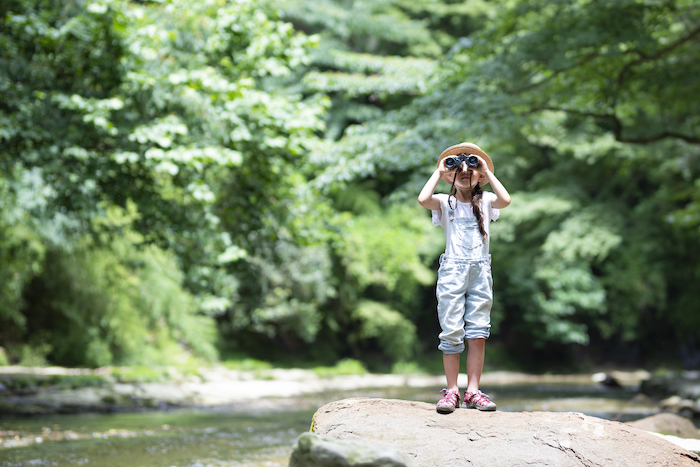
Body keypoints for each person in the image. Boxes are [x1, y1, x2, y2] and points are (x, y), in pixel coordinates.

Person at [418, 142, 511, 413]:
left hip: (480, 272)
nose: (464, 173)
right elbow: (423, 199)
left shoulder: (486, 201)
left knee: (478, 332)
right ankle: (452, 392)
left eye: (470, 170)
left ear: (479, 176)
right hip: (452, 272)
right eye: (458, 171)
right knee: (451, 332)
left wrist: (485, 170)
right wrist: (439, 171)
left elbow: (505, 199)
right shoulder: (445, 203)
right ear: (451, 177)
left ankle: (473, 391)